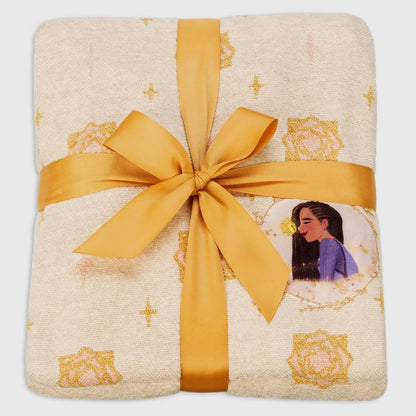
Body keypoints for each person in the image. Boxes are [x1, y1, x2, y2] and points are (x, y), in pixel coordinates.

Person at [290, 201, 358, 281]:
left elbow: (326, 283)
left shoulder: (328, 244)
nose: (299, 228)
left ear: (324, 223)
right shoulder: (333, 243)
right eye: (300, 223)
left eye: (306, 222)